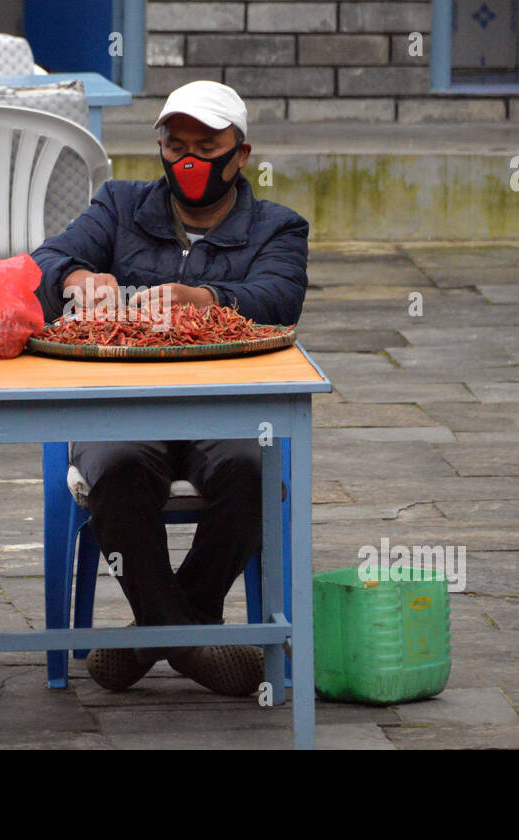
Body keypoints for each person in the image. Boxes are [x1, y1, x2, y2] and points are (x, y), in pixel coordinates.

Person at [30, 80, 309, 695]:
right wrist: (77, 277)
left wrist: (202, 298)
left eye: (206, 145)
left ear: (241, 155)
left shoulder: (277, 228)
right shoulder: (120, 205)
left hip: (226, 410)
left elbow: (279, 300)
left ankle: (157, 630)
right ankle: (190, 639)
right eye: (175, 142)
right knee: (117, 465)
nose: (189, 159)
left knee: (251, 470)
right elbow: (43, 263)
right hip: (123, 408)